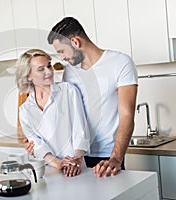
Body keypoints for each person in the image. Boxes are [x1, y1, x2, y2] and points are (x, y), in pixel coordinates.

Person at [25, 17, 138, 177]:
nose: (62, 58)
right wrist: (36, 144)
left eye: (62, 51)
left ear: (75, 42)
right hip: (75, 158)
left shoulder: (120, 63)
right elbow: (62, 117)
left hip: (107, 155)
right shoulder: (70, 73)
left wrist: (116, 158)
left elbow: (127, 114)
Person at [16, 49, 90, 177]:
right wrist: (58, 163)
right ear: (28, 76)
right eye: (41, 69)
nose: (49, 71)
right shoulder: (25, 110)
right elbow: (36, 143)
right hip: (48, 171)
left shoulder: (68, 91)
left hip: (75, 169)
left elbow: (80, 131)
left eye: (49, 65)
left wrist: (76, 160)